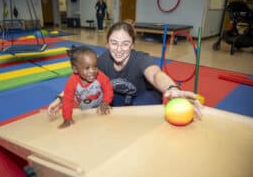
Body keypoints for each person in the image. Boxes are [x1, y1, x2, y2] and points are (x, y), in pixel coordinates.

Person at [48, 21, 202, 119]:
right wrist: (60, 98)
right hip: (119, 98)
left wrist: (172, 88)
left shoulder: (141, 58)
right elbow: (79, 81)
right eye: (114, 43)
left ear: (133, 45)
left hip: (143, 98)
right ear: (107, 43)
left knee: (143, 104)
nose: (119, 49)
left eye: (125, 44)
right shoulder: (102, 61)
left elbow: (155, 74)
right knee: (97, 100)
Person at [57, 46, 113, 128]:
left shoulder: (100, 76)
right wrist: (67, 118)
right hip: (83, 107)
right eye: (87, 68)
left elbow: (108, 89)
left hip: (99, 105)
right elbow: (67, 100)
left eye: (95, 66)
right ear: (75, 69)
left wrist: (105, 102)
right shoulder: (72, 81)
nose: (92, 71)